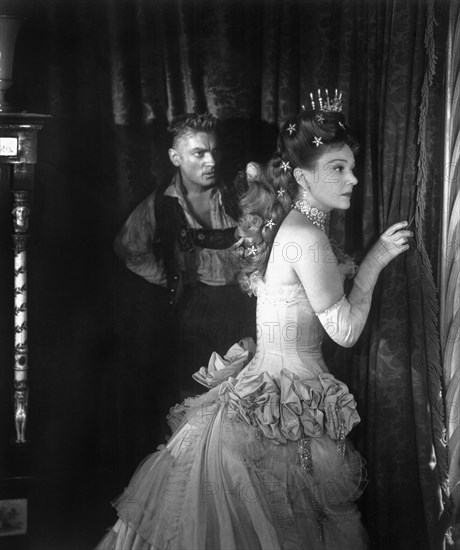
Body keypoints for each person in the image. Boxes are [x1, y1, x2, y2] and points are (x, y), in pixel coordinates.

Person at [97, 94, 412, 549]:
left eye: (351, 167)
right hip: (284, 393)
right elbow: (344, 331)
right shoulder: (306, 237)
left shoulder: (291, 224)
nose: (353, 179)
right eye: (338, 169)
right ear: (303, 176)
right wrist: (376, 260)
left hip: (271, 385)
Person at [113, 113, 255, 397]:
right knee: (197, 399)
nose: (211, 162)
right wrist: (172, 276)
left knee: (246, 397)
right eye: (199, 153)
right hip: (194, 312)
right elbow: (128, 248)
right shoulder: (161, 204)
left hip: (245, 308)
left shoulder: (240, 193)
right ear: (175, 157)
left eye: (214, 151)